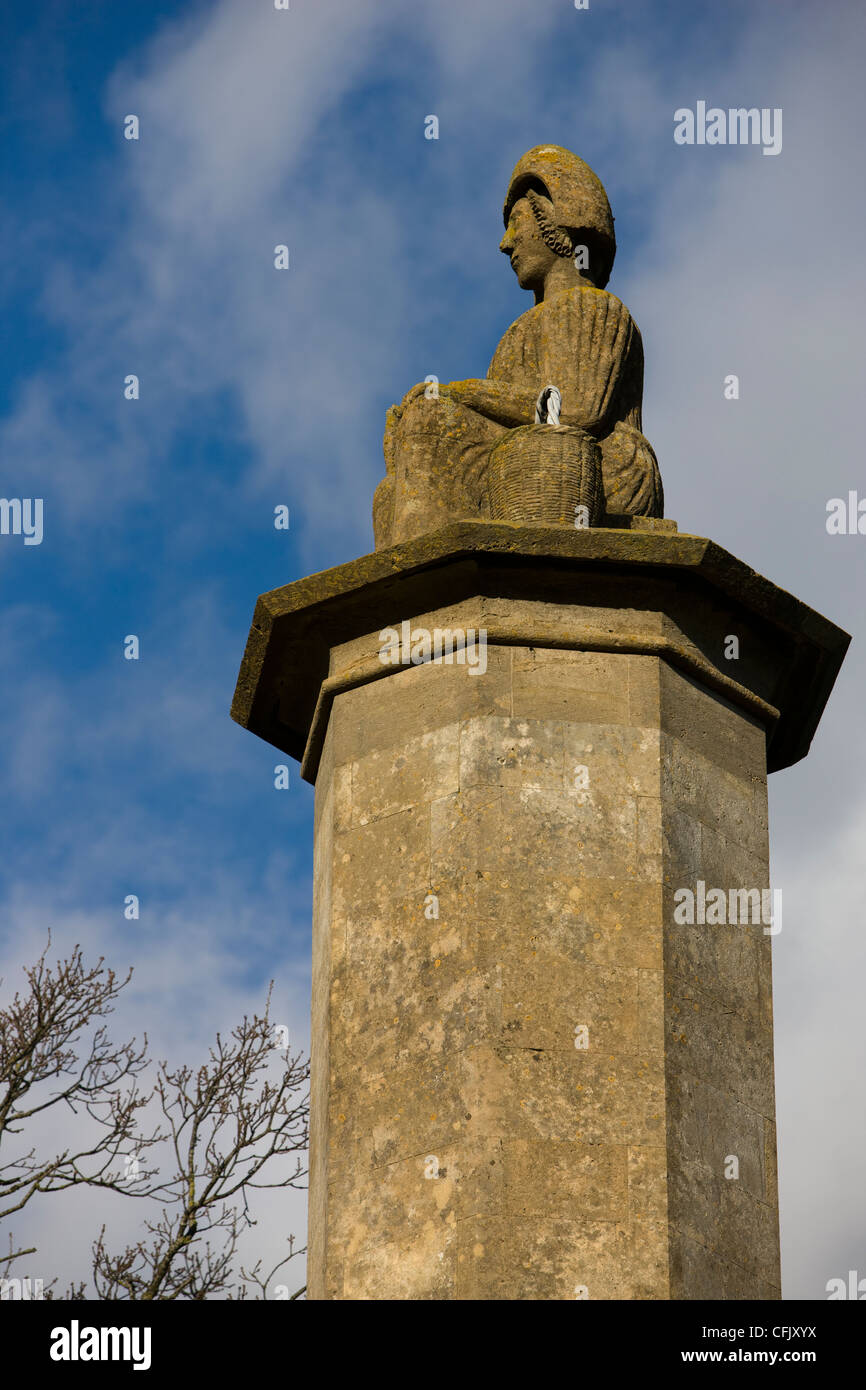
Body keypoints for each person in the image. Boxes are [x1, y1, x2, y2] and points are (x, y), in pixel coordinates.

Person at [372, 144, 663, 549]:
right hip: (527, 458)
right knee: (408, 449)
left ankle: (427, 582)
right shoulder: (515, 333)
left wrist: (460, 394)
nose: (505, 243)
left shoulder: (594, 306)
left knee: (431, 421)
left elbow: (573, 410)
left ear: (558, 222)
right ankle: (419, 585)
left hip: (595, 467)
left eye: (516, 222)